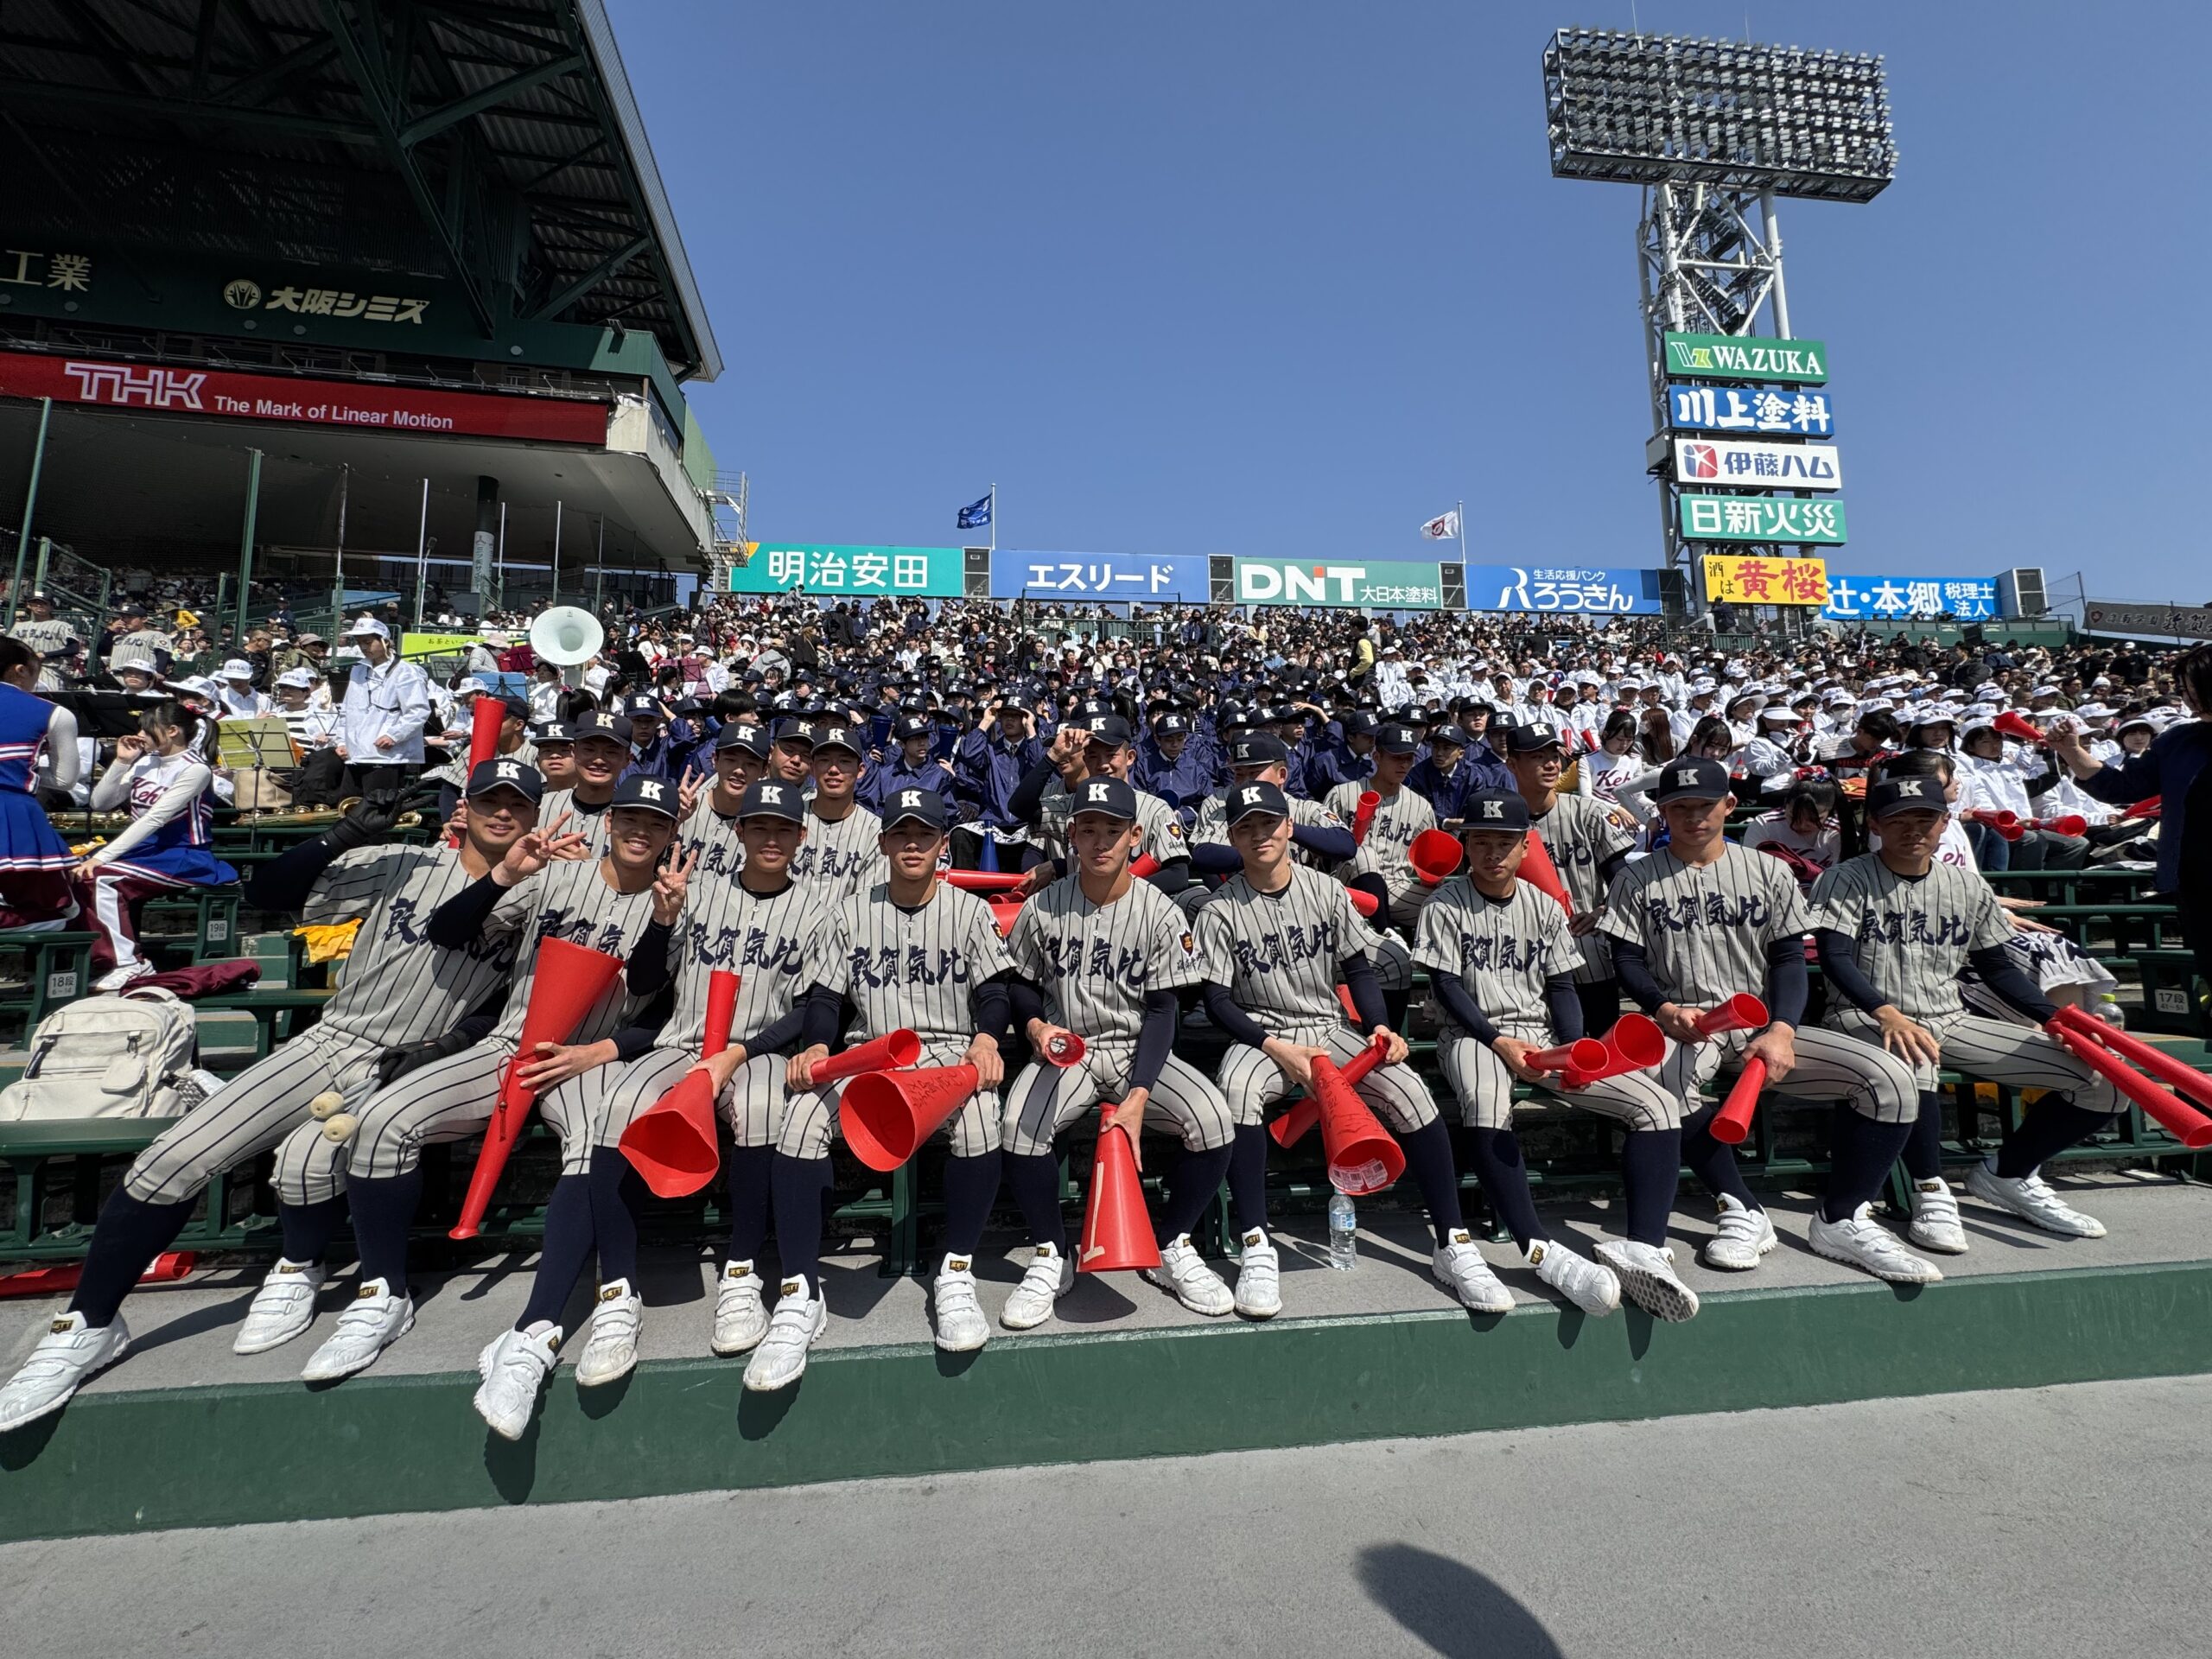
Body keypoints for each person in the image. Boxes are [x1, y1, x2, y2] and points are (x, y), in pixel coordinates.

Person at [0, 769, 538, 1428]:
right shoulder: (399, 861)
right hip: (332, 1040)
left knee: (308, 1160)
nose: (503, 814)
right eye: (491, 801)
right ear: (466, 807)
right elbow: (269, 892)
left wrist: (446, 1045)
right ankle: (88, 1322)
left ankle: (310, 1269)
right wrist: (336, 838)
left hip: (410, 1062)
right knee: (170, 1159)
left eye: (519, 804)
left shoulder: (531, 894)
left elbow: (514, 1006)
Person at [279, 774, 678, 1384]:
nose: (640, 831)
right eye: (631, 818)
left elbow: (656, 1001)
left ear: (672, 834)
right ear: (608, 822)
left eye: (655, 822)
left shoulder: (676, 899)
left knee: (599, 1136)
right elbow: (446, 931)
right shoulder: (553, 876)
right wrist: (505, 876)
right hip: (508, 1044)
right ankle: (381, 1294)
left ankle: (553, 1321)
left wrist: (603, 1042)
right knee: (384, 1120)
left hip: (590, 1060)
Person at [1600, 756, 1936, 1285]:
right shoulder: (1635, 877)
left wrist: (1783, 1027)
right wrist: (1662, 1009)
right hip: (1689, 1023)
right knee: (1663, 1087)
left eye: (1704, 806)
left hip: (1764, 1023)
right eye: (1679, 808)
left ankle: (1843, 1217)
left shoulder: (1769, 869)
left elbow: (1787, 959)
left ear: (1729, 806)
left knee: (1891, 1080)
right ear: (1661, 812)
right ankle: (1742, 1207)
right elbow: (1627, 961)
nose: (1693, 818)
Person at [1193, 781, 1510, 1318]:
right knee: (1237, 1090)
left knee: (1412, 1092)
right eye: (1246, 828)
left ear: (1289, 827)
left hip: (1330, 1027)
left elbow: (1358, 967)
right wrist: (1273, 1046)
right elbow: (1218, 1001)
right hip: (1263, 1033)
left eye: (1268, 823)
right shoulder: (1219, 910)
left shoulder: (1324, 889)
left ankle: (1452, 1242)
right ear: (1232, 838)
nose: (1259, 835)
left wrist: (1380, 1028)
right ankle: (1255, 1242)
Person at [746, 784, 1017, 1389]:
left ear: (943, 845)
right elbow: (826, 996)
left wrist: (987, 1037)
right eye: (903, 834)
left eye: (925, 834)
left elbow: (994, 993)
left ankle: (955, 1269)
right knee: (800, 1119)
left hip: (947, 1051)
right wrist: (818, 1041)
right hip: (869, 1053)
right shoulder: (850, 911)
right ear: (884, 842)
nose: (913, 844)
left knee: (980, 1121)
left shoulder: (969, 911)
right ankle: (798, 1290)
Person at [1811, 776, 2126, 1256]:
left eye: (1925, 819)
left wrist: (2055, 1019)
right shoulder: (1847, 876)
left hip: (1950, 1016)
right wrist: (1886, 1012)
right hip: (1863, 1016)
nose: (1913, 830)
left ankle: (2009, 1174)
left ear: (1945, 822)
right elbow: (1836, 958)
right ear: (1875, 823)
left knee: (2107, 1080)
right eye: (1898, 820)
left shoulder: (1965, 883)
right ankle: (1930, 1190)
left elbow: (1998, 965)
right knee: (1915, 1057)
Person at [1416, 790, 1688, 1316]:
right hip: (1473, 1036)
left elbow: (1562, 987)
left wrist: (1575, 1048)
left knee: (1656, 1105)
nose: (1492, 852)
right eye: (1480, 841)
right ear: (1466, 845)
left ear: (1524, 848)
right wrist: (1497, 1040)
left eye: (1504, 842)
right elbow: (1447, 985)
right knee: (1485, 1099)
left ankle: (1644, 1248)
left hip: (1543, 1036)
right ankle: (1538, 1248)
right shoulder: (1444, 904)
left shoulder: (1542, 904)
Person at [995, 777, 1238, 1329]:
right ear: (1071, 836)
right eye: (1088, 830)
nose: (1100, 841)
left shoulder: (1161, 911)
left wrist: (1138, 1096)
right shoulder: (1043, 906)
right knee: (1018, 1125)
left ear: (1135, 836)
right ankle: (1051, 1253)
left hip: (1136, 1048)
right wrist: (1033, 1025)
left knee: (1214, 1118)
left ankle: (1172, 1243)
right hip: (1068, 1048)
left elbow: (1161, 1012)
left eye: (1113, 830)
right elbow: (1022, 985)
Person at [2050, 643, 2212, 1030]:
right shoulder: (2178, 740)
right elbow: (2123, 787)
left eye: (2194, 684)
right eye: (2183, 685)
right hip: (2197, 879)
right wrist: (2071, 751)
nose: (2187, 694)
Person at [72, 701, 239, 989]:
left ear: (172, 731)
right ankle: (83, 960)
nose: (140, 735)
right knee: (69, 870)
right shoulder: (146, 761)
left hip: (184, 854)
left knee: (101, 878)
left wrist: (102, 858)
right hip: (144, 852)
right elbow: (100, 803)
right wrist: (122, 761)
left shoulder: (195, 769)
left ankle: (129, 963)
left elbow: (156, 819)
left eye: (148, 729)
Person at [1503, 721, 1637, 1035]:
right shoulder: (1503, 819)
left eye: (1554, 754)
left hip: (1583, 939)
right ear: (1512, 764)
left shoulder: (1586, 813)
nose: (1551, 763)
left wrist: (1601, 912)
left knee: (1601, 1033)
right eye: (1537, 756)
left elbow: (1624, 881)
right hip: (1524, 941)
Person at [0, 637, 81, 927]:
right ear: (21, 670)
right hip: (13, 816)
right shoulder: (53, 712)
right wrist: (22, 771)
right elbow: (64, 779)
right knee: (60, 910)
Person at [1324, 721, 1435, 931]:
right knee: (1364, 853)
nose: (1403, 764)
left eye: (1408, 758)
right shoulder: (1342, 795)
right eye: (1396, 757)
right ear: (1377, 757)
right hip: (1346, 883)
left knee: (1448, 905)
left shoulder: (1421, 807)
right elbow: (1321, 850)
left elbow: (1429, 860)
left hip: (1396, 886)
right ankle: (1387, 933)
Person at [786, 724, 887, 902]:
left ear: (861, 770)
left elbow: (866, 905)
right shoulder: (786, 816)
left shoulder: (875, 831)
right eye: (825, 760)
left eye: (845, 761)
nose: (833, 769)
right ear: (812, 767)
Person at [334, 617, 431, 797]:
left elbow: (418, 711)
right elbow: (348, 710)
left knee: (377, 812)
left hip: (387, 756)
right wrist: (341, 741)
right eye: (359, 642)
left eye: (368, 642)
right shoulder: (358, 670)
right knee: (349, 806)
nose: (363, 647)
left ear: (385, 641)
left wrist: (394, 736)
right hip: (355, 754)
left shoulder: (406, 671)